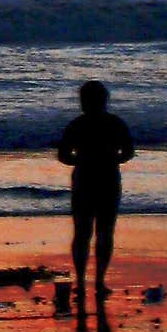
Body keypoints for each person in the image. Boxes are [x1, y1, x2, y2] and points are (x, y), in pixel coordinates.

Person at [57, 80, 134, 301]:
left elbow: (63, 155)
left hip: (84, 178)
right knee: (105, 231)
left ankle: (81, 282)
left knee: (82, 232)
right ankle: (99, 281)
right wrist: (112, 159)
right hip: (108, 177)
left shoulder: (77, 124)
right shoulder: (115, 123)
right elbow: (128, 152)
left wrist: (80, 160)